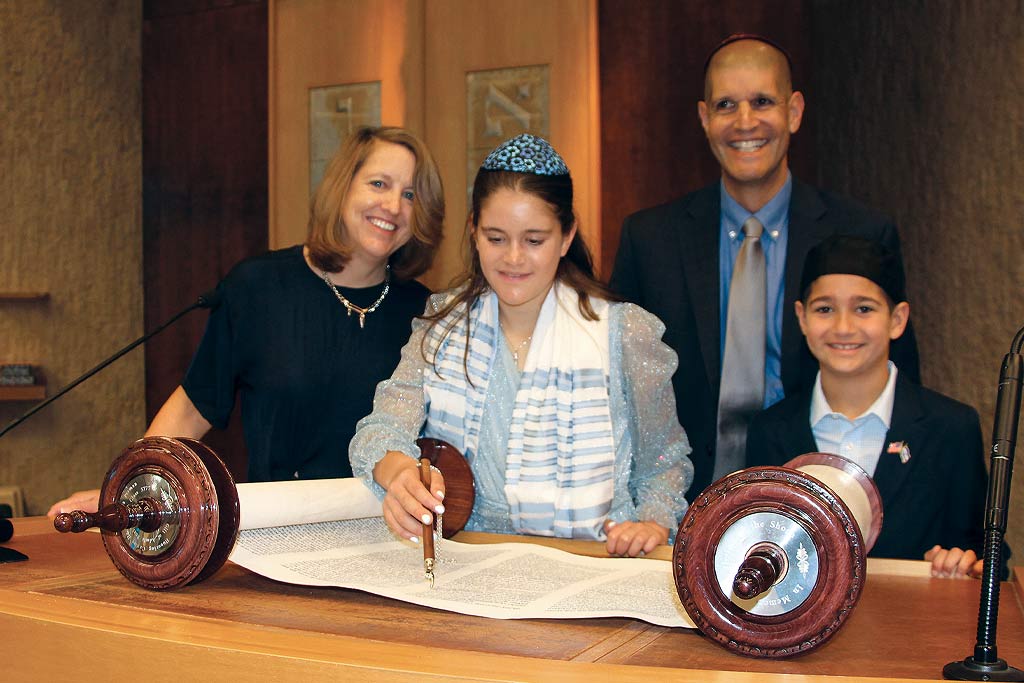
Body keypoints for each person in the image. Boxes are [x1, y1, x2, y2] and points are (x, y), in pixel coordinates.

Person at [48, 126, 445, 515]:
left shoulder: (427, 312)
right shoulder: (259, 287)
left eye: (410, 194)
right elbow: (193, 407)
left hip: (386, 534)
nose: (393, 206)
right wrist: (129, 490)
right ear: (343, 188)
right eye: (378, 184)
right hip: (277, 530)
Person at [350, 134, 693, 558]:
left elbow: (666, 459)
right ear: (474, 231)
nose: (513, 259)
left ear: (566, 237)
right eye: (496, 238)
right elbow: (379, 430)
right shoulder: (441, 326)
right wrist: (399, 470)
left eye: (534, 241)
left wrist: (652, 524)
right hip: (472, 561)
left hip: (595, 563)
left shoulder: (622, 332)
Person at [609, 34, 920, 499]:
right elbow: (618, 388)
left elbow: (902, 389)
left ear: (793, 112)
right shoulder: (650, 239)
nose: (745, 122)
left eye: (762, 101)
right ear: (704, 118)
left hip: (819, 502)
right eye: (726, 105)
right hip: (680, 503)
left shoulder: (860, 233)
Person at [746, 235, 987, 578]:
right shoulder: (770, 430)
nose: (843, 327)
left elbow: (984, 554)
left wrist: (964, 562)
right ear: (801, 318)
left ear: (897, 319)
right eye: (825, 309)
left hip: (917, 625)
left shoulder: (950, 427)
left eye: (864, 309)